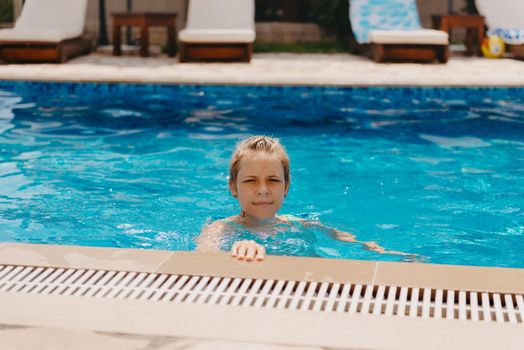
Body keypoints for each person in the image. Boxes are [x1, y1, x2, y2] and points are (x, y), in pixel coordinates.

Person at [196, 135, 415, 262]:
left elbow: (346, 239)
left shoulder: (299, 223)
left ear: (286, 187)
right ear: (233, 187)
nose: (262, 190)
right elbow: (203, 258)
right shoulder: (220, 229)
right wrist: (237, 249)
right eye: (251, 180)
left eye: (272, 180)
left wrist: (386, 253)